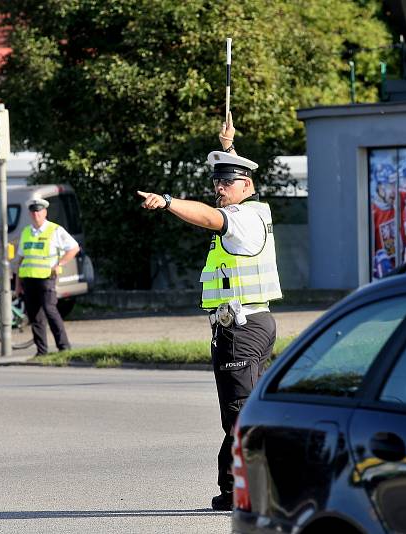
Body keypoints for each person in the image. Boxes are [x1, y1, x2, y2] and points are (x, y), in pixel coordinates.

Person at [137, 113, 282, 511]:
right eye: (217, 182)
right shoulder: (256, 211)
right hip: (253, 323)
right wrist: (229, 145)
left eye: (227, 182)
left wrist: (167, 202)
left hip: (242, 327)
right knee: (247, 407)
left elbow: (208, 216)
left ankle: (249, 491)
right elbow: (230, 188)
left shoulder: (241, 218)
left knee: (239, 411)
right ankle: (235, 487)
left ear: (247, 186)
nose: (220, 188)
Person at [15, 197, 80, 356]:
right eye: (33, 211)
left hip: (46, 278)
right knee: (35, 317)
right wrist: (18, 284)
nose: (36, 214)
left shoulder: (55, 230)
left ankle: (64, 347)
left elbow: (74, 248)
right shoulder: (26, 232)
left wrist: (60, 264)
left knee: (50, 311)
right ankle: (41, 351)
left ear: (45, 212)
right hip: (28, 279)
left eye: (39, 211)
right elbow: (21, 260)